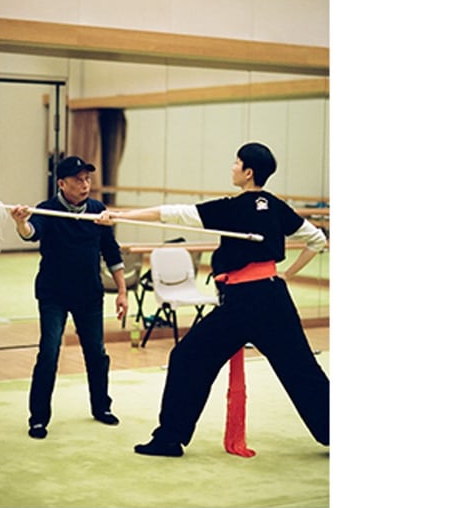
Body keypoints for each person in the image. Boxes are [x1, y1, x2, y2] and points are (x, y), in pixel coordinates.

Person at [98, 142, 329, 457]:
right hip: (273, 297)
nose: (232, 167)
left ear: (248, 172)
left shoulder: (231, 208)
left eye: (236, 163)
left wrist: (119, 216)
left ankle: (169, 439)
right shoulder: (276, 206)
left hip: (244, 303)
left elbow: (170, 214)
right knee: (302, 369)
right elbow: (318, 240)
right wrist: (285, 274)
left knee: (187, 359)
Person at [9, 155, 129, 439]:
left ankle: (101, 407)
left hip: (89, 294)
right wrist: (20, 223)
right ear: (62, 183)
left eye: (88, 179)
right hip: (53, 294)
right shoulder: (47, 210)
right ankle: (38, 419)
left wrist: (122, 291)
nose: (85, 184)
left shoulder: (98, 211)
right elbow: (31, 233)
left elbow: (111, 252)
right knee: (49, 353)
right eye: (78, 180)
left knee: (96, 354)